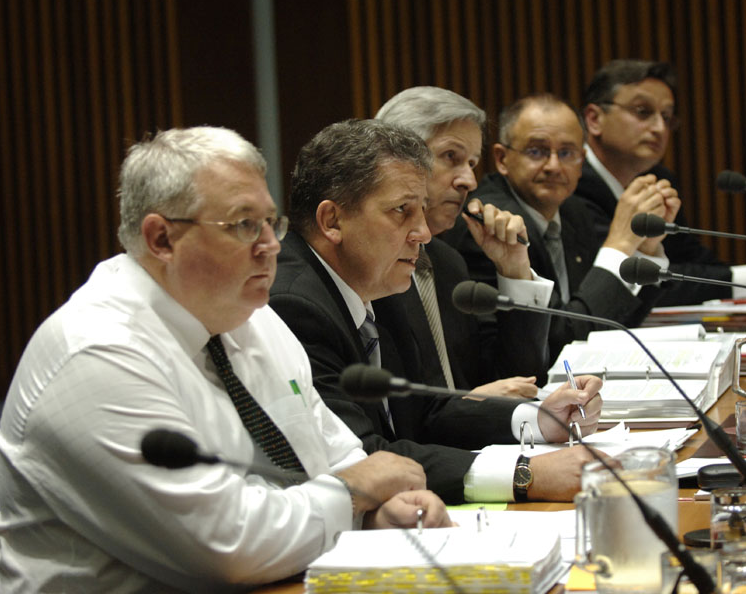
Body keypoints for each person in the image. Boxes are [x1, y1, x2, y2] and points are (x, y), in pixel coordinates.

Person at [0, 127, 449, 592]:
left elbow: (338, 455)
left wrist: (381, 511)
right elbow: (227, 546)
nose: (270, 245)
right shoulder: (97, 353)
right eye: (244, 225)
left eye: (272, 222)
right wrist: (352, 495)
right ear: (162, 238)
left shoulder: (255, 320)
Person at [269, 119, 602, 505]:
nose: (423, 233)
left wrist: (541, 419)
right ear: (332, 221)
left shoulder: (378, 281)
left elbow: (426, 414)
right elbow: (361, 458)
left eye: (422, 210)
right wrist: (526, 473)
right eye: (401, 211)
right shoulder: (294, 307)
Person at [578, 58, 746, 306]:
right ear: (594, 119)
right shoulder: (572, 185)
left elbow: (692, 261)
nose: (659, 128)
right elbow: (619, 280)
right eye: (643, 112)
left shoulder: (658, 180)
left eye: (667, 117)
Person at [443, 93, 678, 359]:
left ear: (582, 160)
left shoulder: (574, 212)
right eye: (537, 151)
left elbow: (611, 320)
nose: (554, 166)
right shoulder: (494, 223)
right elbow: (563, 342)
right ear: (502, 159)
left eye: (566, 153)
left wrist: (644, 250)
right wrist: (620, 247)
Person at [374, 86, 553, 395]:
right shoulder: (370, 267)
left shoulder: (447, 263)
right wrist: (471, 404)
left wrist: (515, 271)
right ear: (395, 157)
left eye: (471, 163)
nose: (469, 181)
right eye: (450, 156)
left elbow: (519, 382)